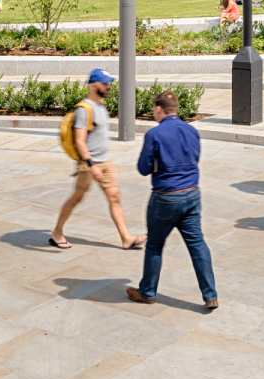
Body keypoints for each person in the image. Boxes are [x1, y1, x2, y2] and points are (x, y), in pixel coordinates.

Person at [127, 91, 217, 311]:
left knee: (155, 245)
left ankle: (148, 292)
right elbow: (195, 158)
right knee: (197, 244)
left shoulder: (155, 135)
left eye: (154, 110)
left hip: (166, 197)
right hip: (192, 194)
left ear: (159, 109)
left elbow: (143, 168)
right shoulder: (192, 131)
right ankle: (210, 295)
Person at [49, 67, 144, 251]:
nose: (108, 86)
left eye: (109, 83)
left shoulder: (101, 106)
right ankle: (57, 233)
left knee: (114, 197)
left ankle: (126, 238)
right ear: (93, 85)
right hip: (89, 164)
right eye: (105, 83)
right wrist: (91, 165)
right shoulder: (84, 110)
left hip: (105, 161)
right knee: (77, 197)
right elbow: (80, 140)